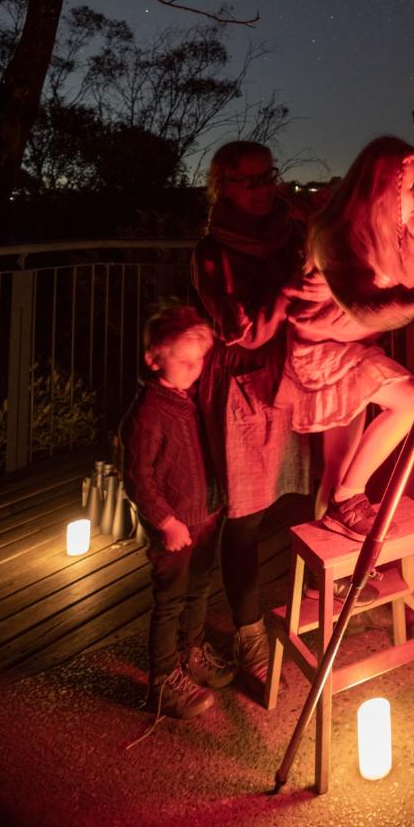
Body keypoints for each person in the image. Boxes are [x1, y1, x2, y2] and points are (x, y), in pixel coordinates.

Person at [275, 136, 414, 541]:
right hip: (322, 351)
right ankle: (350, 499)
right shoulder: (337, 234)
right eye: (411, 187)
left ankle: (326, 586)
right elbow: (368, 308)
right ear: (383, 188)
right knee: (412, 402)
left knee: (340, 470)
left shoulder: (382, 230)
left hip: (349, 346)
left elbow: (406, 280)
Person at [191, 141, 311, 695]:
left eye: (269, 176)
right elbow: (246, 329)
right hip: (240, 387)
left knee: (293, 500)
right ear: (224, 186)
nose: (265, 189)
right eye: (250, 180)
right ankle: (249, 635)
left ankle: (311, 603)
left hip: (291, 377)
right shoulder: (212, 253)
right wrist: (292, 292)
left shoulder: (291, 234)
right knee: (242, 516)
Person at [120, 305, 234, 720]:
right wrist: (166, 522)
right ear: (154, 359)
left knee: (200, 589)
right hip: (175, 529)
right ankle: (163, 680)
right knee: (169, 601)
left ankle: (193, 652)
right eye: (183, 361)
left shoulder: (188, 401)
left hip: (205, 518)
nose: (194, 369)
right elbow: (137, 476)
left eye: (199, 360)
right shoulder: (148, 412)